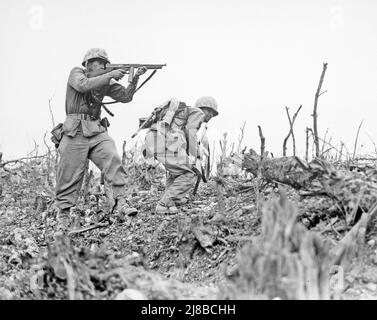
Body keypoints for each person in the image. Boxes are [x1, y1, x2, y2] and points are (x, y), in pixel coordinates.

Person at [55, 48, 147, 233]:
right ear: (88, 64)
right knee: (69, 174)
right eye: (98, 62)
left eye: (104, 62)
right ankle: (63, 217)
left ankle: (121, 203)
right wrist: (111, 74)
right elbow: (83, 85)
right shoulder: (77, 73)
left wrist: (135, 77)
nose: (102, 65)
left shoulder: (104, 81)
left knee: (112, 157)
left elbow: (125, 97)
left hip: (96, 130)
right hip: (75, 131)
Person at [144, 96, 219, 214]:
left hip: (153, 139)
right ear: (203, 108)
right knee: (190, 172)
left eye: (213, 114)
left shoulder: (182, 116)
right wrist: (194, 158)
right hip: (163, 141)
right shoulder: (198, 112)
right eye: (210, 112)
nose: (210, 116)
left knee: (176, 171)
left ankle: (173, 200)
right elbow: (191, 132)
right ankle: (164, 204)